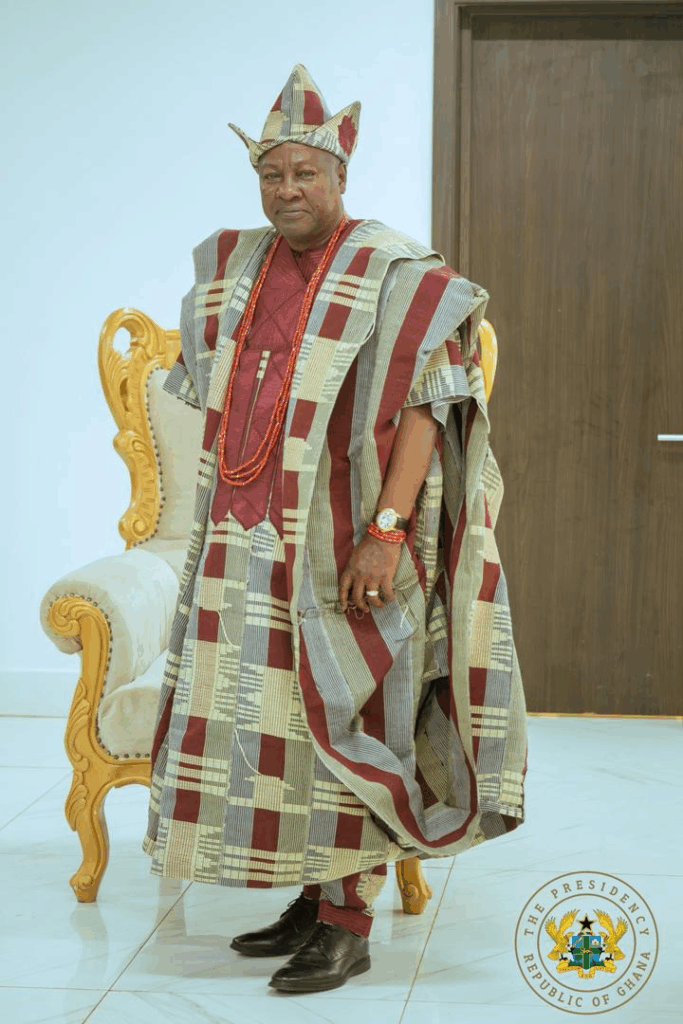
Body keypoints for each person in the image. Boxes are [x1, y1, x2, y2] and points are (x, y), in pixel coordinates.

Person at [144, 64, 527, 994]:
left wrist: (388, 531)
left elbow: (430, 411)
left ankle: (349, 922)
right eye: (271, 176)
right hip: (238, 543)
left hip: (344, 544)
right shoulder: (231, 268)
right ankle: (305, 895)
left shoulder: (399, 272)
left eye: (303, 175)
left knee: (346, 716)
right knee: (263, 724)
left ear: (339, 174)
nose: (286, 192)